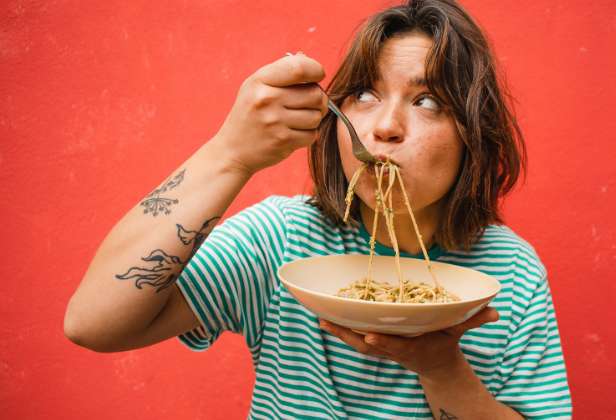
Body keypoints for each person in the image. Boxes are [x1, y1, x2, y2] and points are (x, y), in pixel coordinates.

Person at [64, 0, 572, 418]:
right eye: (367, 94)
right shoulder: (282, 238)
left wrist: (441, 368)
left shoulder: (511, 269)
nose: (384, 128)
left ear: (474, 135)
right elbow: (93, 325)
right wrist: (229, 154)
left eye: (428, 102)